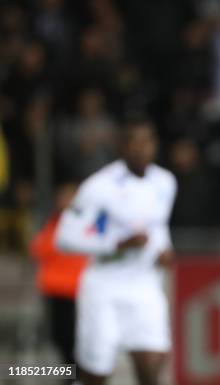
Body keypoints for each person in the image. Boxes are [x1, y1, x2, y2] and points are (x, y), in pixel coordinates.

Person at [55, 119, 177, 385]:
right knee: (95, 373)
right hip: (104, 285)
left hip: (145, 283)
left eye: (148, 142)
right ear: (123, 146)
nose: (142, 149)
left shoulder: (165, 182)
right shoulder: (99, 186)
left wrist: (164, 249)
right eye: (135, 142)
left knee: (153, 358)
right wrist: (115, 244)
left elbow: (157, 226)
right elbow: (63, 237)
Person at [30, 182, 88, 365]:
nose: (65, 200)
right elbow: (38, 249)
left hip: (76, 290)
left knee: (74, 338)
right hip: (55, 289)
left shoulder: (83, 223)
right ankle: (72, 374)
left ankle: (75, 375)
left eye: (70, 196)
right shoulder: (53, 222)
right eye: (62, 196)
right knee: (58, 336)